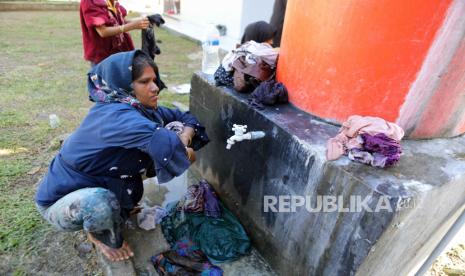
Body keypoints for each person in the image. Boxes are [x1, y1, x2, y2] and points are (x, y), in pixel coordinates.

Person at [35, 50, 209, 262]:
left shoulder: (141, 109)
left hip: (99, 178)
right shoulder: (115, 117)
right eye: (144, 82)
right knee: (99, 203)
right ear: (123, 85)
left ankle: (114, 210)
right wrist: (182, 142)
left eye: (154, 80)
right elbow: (172, 146)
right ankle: (100, 236)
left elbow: (188, 118)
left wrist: (184, 136)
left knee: (177, 155)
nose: (155, 88)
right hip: (62, 202)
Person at [80, 0, 150, 66]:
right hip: (103, 56)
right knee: (107, 78)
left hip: (120, 51)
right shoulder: (90, 1)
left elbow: (121, 21)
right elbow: (103, 31)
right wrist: (132, 26)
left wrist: (141, 22)